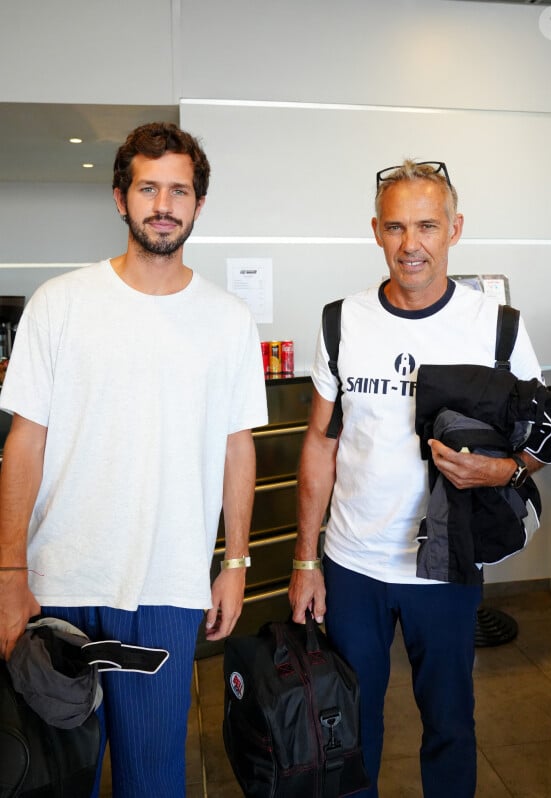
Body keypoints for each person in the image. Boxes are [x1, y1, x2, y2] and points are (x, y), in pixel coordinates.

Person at [0, 122, 268, 797]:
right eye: (148, 188)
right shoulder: (60, 304)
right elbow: (23, 443)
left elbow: (239, 446)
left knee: (152, 782)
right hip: (57, 585)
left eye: (179, 190)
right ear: (121, 198)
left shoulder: (229, 319)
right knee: (56, 779)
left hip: (167, 588)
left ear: (198, 205)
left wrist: (235, 565)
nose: (164, 204)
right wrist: (8, 572)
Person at [289, 160, 550, 798]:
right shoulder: (340, 322)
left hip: (447, 562)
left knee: (451, 726)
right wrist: (305, 560)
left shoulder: (497, 327)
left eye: (427, 226)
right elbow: (320, 447)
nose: (412, 244)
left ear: (454, 229)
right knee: (350, 730)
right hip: (353, 566)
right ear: (376, 230)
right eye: (397, 227)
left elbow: (545, 439)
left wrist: (506, 468)